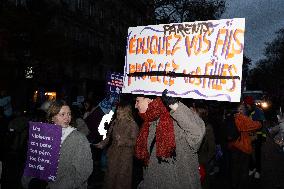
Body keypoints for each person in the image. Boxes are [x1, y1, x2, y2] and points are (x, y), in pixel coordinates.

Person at [134, 90, 205, 189]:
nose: (135, 105)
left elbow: (197, 133)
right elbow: (150, 165)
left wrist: (175, 106)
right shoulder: (148, 125)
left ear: (150, 100)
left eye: (137, 101)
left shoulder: (176, 121)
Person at [22, 100, 93, 189]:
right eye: (62, 114)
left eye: (69, 114)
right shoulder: (43, 136)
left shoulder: (79, 139)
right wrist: (31, 181)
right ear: (52, 118)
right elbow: (33, 162)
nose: (67, 118)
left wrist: (58, 186)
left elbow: (83, 170)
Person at [95, 103, 139, 189]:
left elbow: (135, 142)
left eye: (120, 109)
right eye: (118, 109)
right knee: (110, 178)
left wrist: (123, 141)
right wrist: (102, 144)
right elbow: (108, 137)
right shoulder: (115, 122)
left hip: (125, 157)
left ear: (126, 111)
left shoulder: (132, 124)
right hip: (113, 154)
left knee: (121, 180)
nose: (118, 111)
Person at [230, 103, 261, 189]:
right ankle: (241, 186)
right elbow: (255, 125)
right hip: (243, 147)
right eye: (240, 109)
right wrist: (259, 123)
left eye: (242, 109)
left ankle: (234, 184)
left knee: (235, 168)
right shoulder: (242, 118)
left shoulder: (233, 117)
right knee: (244, 169)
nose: (241, 111)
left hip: (234, 146)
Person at [194, 101, 216, 189]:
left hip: (203, 161)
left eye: (195, 113)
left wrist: (206, 160)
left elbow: (212, 147)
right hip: (194, 161)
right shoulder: (193, 126)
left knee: (204, 182)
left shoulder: (207, 128)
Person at [243, 96, 266, 179]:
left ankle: (258, 171)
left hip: (258, 135)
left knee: (257, 154)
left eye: (247, 104)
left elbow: (261, 124)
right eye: (246, 105)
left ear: (251, 104)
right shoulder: (246, 111)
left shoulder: (258, 111)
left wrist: (263, 135)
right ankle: (252, 167)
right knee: (248, 152)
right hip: (249, 136)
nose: (246, 106)